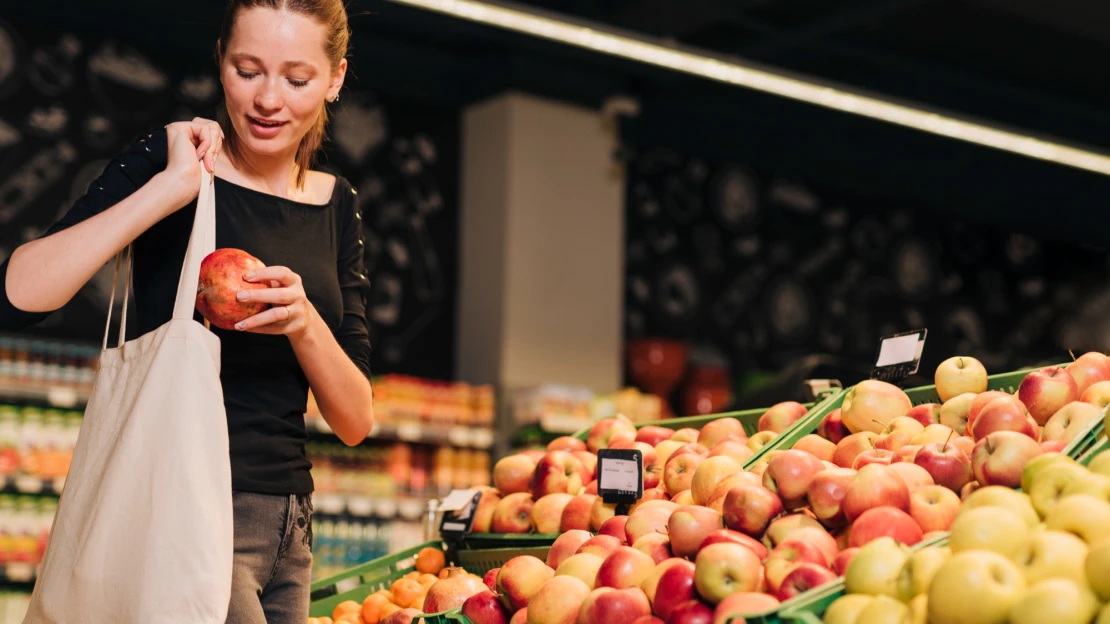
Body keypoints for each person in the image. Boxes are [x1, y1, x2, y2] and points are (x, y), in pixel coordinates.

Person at [0, 0, 375, 621]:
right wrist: (168, 190)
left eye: (297, 79)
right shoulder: (175, 159)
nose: (268, 99)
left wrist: (304, 321)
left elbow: (355, 420)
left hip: (292, 528)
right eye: (247, 70)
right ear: (221, 62)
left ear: (335, 79)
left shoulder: (339, 206)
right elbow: (18, 296)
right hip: (182, 507)